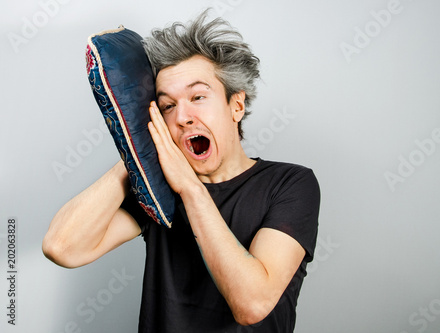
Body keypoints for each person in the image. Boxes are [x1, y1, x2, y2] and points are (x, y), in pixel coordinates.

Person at [43, 10, 320, 333]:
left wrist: (190, 189)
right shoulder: (158, 191)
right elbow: (62, 247)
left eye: (198, 96)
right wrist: (138, 150)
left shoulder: (290, 184)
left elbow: (252, 304)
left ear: (236, 105)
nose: (182, 117)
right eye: (168, 106)